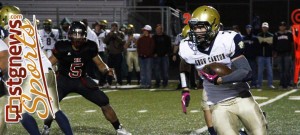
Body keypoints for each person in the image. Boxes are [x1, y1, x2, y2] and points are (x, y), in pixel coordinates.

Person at [179, 5, 267, 134]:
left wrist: (220, 80)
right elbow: (184, 65)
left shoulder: (228, 39)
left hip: (241, 97)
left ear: (214, 26)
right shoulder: (188, 47)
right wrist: (185, 88)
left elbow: (246, 72)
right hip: (218, 104)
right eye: (195, 27)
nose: (197, 32)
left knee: (260, 133)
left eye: (201, 27)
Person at [43, 21, 131, 135]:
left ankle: (119, 128)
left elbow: (100, 64)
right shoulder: (62, 46)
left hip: (81, 80)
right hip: (63, 80)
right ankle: (46, 127)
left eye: (80, 35)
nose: (78, 38)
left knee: (104, 101)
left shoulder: (90, 46)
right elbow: (49, 63)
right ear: (70, 35)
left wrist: (106, 69)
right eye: (75, 35)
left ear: (85, 35)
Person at [0, 5, 73, 135]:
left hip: (32, 74)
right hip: (47, 69)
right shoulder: (31, 29)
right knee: (55, 109)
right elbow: (42, 52)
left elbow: (10, 57)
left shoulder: (11, 32)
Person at [273, 21, 294, 89]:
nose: (282, 27)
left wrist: (292, 53)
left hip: (287, 54)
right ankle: (282, 84)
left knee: (287, 69)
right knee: (281, 70)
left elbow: (292, 44)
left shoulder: (289, 34)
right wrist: (274, 53)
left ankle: (289, 84)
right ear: (279, 27)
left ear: (285, 27)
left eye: (283, 26)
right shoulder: (276, 34)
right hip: (279, 54)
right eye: (281, 26)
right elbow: (274, 45)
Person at [104, 22, 125, 86]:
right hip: (111, 53)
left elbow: (122, 42)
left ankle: (119, 82)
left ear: (117, 27)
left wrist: (116, 36)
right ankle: (109, 82)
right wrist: (109, 35)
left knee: (118, 69)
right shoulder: (109, 34)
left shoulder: (121, 33)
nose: (114, 27)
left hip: (118, 53)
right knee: (110, 69)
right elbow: (105, 41)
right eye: (112, 26)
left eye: (115, 26)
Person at [257, 22, 275, 89]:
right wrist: (266, 41)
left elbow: (270, 43)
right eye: (263, 27)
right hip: (260, 56)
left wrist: (263, 41)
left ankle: (270, 84)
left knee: (269, 71)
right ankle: (259, 84)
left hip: (268, 56)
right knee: (260, 71)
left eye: (266, 27)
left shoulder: (271, 35)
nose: (264, 28)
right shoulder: (259, 34)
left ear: (268, 28)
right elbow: (260, 43)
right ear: (262, 28)